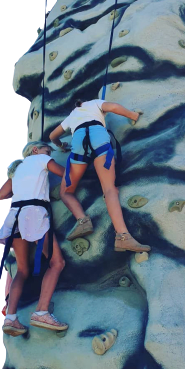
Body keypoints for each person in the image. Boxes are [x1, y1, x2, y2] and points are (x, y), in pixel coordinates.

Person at [49, 98, 151, 253]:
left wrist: (61, 145)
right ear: (85, 102)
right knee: (109, 189)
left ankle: (82, 220)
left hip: (79, 143)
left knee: (66, 192)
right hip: (99, 139)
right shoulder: (95, 103)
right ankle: (123, 237)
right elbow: (114, 107)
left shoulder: (72, 115)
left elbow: (52, 136)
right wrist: (133, 115)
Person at [0, 141, 68, 336]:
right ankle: (41, 312)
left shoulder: (17, 169)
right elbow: (66, 173)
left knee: (22, 270)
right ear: (35, 150)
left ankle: (10, 318)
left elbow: (1, 195)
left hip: (15, 217)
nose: (49, 154)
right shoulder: (41, 159)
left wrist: (22, 188)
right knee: (57, 262)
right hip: (34, 214)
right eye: (47, 150)